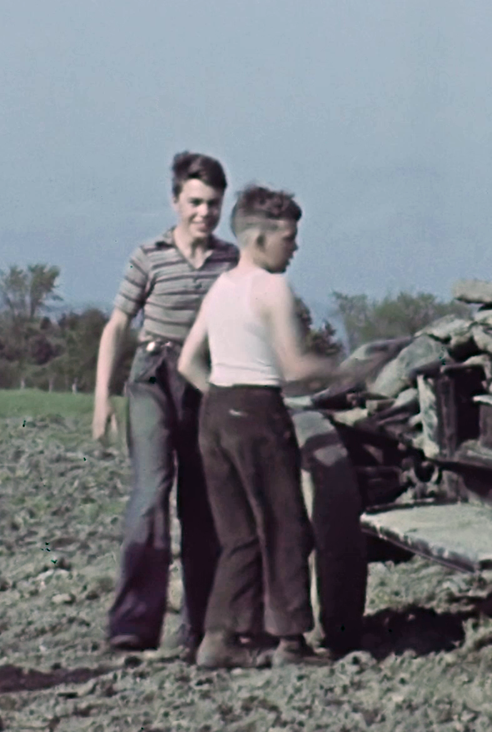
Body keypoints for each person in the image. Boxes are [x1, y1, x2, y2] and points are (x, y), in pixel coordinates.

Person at [178, 184, 351, 668]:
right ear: (258, 239)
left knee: (238, 533)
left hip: (216, 414)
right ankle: (291, 643)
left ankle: (220, 638)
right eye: (288, 238)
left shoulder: (222, 286)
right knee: (286, 527)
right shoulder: (272, 287)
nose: (294, 247)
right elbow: (293, 368)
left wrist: (222, 397)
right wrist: (346, 371)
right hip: (257, 411)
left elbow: (188, 362)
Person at [94, 152, 239, 659]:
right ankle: (133, 624)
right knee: (150, 495)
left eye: (213, 204)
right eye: (195, 202)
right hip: (153, 379)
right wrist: (102, 400)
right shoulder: (149, 255)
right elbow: (117, 326)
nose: (204, 212)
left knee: (203, 507)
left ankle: (200, 628)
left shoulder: (230, 261)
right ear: (176, 201)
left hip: (206, 384)